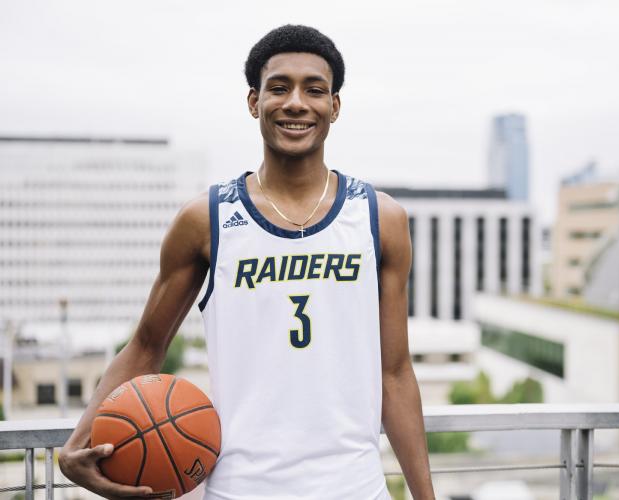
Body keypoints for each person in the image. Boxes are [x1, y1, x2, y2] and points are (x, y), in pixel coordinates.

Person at [60, 24, 436, 500]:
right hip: (241, 488)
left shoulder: (381, 218)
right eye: (279, 88)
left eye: (314, 90)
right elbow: (146, 346)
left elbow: (396, 373)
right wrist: (76, 445)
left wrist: (426, 497)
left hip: (354, 487)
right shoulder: (206, 219)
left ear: (334, 106)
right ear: (254, 102)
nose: (296, 103)